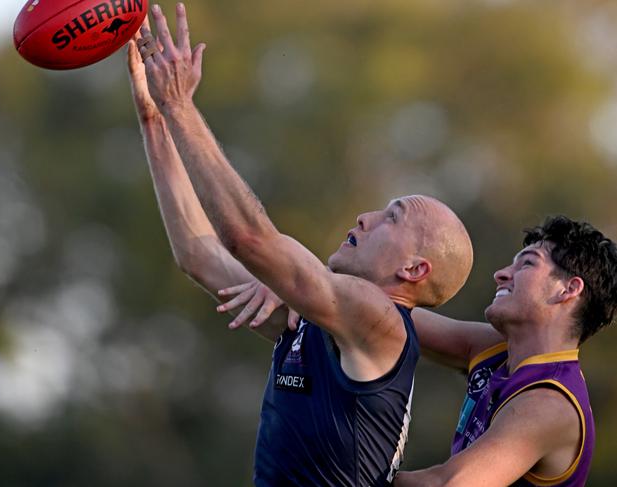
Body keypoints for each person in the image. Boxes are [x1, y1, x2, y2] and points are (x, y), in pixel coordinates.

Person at [127, 3, 474, 485]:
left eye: (391, 217)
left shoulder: (381, 320)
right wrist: (155, 121)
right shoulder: (320, 323)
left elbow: (249, 239)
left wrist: (181, 107)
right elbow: (198, 254)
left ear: (414, 270)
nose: (366, 217)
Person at [229, 216, 617, 486]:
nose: (502, 273)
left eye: (526, 264)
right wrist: (301, 287)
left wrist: (344, 475)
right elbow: (380, 316)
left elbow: (450, 484)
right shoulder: (498, 351)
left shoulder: (550, 404)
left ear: (569, 290)